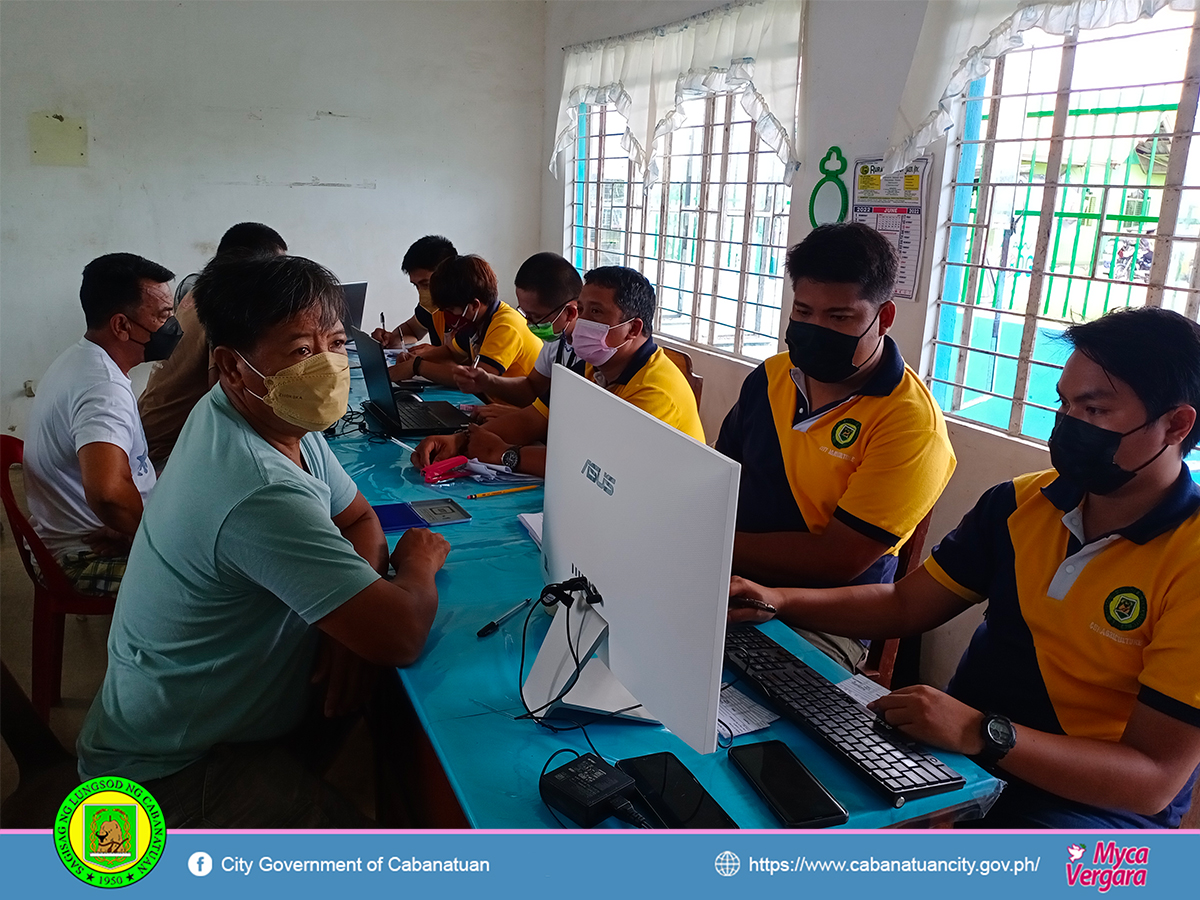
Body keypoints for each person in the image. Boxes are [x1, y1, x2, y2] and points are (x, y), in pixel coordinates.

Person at [728, 306, 1200, 828]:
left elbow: (1153, 780)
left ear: (1175, 425)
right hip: (957, 759)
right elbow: (905, 604)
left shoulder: (1189, 558)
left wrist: (983, 732)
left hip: (1084, 805)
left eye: (1094, 411)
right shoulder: (1021, 504)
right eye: (1063, 405)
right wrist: (779, 600)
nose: (1067, 426)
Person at [77, 254, 450, 827]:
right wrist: (415, 567)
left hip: (209, 715)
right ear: (230, 364)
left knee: (366, 681)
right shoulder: (256, 484)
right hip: (172, 769)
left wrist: (351, 630)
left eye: (332, 342)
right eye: (302, 350)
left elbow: (358, 519)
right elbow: (399, 634)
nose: (327, 365)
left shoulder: (264, 414)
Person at [715, 223, 955, 671]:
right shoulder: (770, 378)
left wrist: (706, 543)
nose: (815, 329)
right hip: (724, 576)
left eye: (839, 318)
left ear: (883, 318)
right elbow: (714, 478)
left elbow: (836, 560)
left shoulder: (909, 424)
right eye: (803, 312)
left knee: (734, 704)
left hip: (821, 619)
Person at [411, 266, 704, 477]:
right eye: (583, 308)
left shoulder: (653, 391)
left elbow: (593, 467)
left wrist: (504, 454)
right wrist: (459, 440)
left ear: (633, 329)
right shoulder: (592, 365)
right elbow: (535, 417)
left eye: (597, 312)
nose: (583, 320)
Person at [23, 253, 178, 596]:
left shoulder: (81, 357)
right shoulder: (102, 388)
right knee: (227, 589)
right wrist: (150, 537)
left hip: (90, 533)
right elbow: (108, 494)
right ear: (122, 326)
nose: (172, 327)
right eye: (163, 316)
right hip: (82, 556)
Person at [138, 222, 288, 468]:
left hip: (147, 431)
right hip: (166, 454)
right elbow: (226, 399)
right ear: (249, 268)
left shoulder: (198, 291)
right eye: (274, 269)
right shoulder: (227, 307)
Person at [452, 251, 583, 415]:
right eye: (525, 313)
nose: (528, 323)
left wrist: (517, 416)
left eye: (536, 316)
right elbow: (531, 389)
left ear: (570, 313)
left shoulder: (594, 352)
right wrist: (487, 381)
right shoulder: (556, 340)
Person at [386, 254, 542, 391]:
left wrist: (417, 366)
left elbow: (474, 380)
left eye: (451, 309)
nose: (448, 316)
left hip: (516, 409)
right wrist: (413, 357)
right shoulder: (476, 321)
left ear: (474, 305)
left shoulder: (505, 325)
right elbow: (450, 350)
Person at [371, 234, 457, 349]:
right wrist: (390, 338)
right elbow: (412, 330)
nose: (421, 292)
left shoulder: (473, 313)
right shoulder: (431, 308)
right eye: (415, 285)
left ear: (450, 276)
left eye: (425, 284)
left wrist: (431, 355)